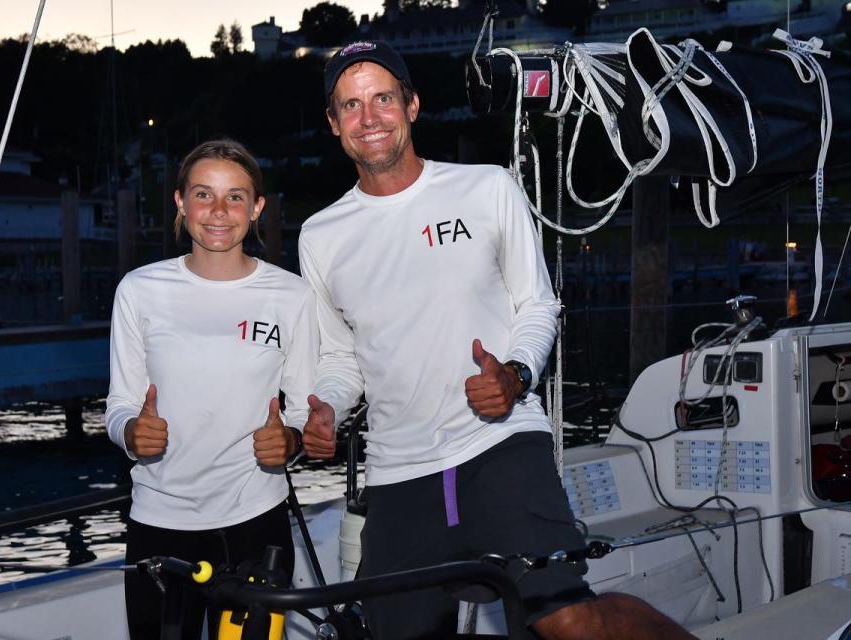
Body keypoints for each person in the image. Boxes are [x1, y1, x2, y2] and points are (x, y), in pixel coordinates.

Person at [299, 40, 696, 640]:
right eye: (351, 106)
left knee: (570, 622)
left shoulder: (486, 189)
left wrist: (515, 374)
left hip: (499, 447)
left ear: (411, 104)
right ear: (333, 124)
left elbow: (536, 304)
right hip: (398, 473)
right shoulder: (319, 235)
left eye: (382, 98)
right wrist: (326, 404)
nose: (369, 117)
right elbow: (339, 355)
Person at [105, 139, 316, 639]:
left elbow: (307, 408)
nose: (219, 211)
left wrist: (290, 441)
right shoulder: (138, 290)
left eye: (236, 196)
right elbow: (118, 406)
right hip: (158, 525)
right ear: (180, 202)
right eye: (204, 194)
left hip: (255, 522)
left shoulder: (292, 295)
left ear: (257, 207)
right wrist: (132, 433)